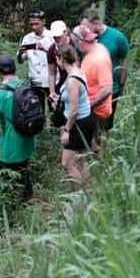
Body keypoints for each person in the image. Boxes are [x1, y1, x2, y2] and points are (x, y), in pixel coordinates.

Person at [0, 54, 36, 202]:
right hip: (28, 138)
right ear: (14, 68)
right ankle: (28, 198)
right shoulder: (25, 85)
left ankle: (12, 205)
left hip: (9, 144)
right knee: (24, 168)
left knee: (7, 175)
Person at [51, 44, 95, 190]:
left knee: (67, 163)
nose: (57, 62)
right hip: (86, 119)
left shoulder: (72, 81)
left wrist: (67, 130)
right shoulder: (77, 71)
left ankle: (78, 198)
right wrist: (60, 99)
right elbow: (74, 99)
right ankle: (89, 191)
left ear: (62, 58)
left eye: (57, 58)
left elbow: (74, 110)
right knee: (81, 160)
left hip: (77, 123)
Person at [83, 8, 130, 130]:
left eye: (89, 27)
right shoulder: (84, 38)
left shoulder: (117, 37)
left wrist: (122, 83)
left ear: (96, 22)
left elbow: (124, 60)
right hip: (88, 90)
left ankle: (103, 146)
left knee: (105, 125)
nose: (87, 31)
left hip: (110, 88)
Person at [71, 25, 112, 160]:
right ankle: (94, 168)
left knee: (96, 144)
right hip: (91, 107)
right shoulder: (95, 49)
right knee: (92, 142)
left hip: (97, 110)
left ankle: (101, 171)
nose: (77, 47)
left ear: (82, 41)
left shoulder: (99, 59)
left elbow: (107, 89)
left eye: (76, 44)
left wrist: (89, 104)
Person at [17, 9, 56, 104]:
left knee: (54, 109)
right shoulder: (27, 38)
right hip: (35, 81)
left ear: (43, 22)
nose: (34, 27)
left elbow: (59, 57)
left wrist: (45, 49)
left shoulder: (52, 37)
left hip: (50, 80)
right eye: (31, 24)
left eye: (36, 24)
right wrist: (21, 53)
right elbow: (20, 60)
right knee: (36, 110)